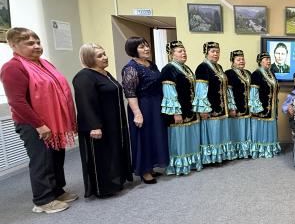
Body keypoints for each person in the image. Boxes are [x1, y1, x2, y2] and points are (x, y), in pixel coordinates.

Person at [0, 27, 78, 213]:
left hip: (52, 121)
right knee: (42, 160)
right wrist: (39, 125)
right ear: (13, 45)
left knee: (56, 157)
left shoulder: (44, 64)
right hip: (32, 124)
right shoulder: (12, 68)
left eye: (38, 42)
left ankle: (57, 191)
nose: (36, 46)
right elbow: (17, 102)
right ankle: (43, 200)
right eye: (29, 43)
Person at [72, 44, 133, 197]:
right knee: (101, 157)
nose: (105, 57)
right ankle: (103, 189)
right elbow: (84, 103)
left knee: (112, 153)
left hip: (113, 123)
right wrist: (94, 126)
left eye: (104, 54)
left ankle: (115, 182)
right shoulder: (84, 76)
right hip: (98, 125)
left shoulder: (105, 73)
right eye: (99, 56)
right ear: (89, 58)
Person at [121, 37, 169, 184]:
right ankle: (144, 170)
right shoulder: (131, 68)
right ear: (133, 50)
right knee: (143, 138)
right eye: (142, 47)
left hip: (155, 105)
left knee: (154, 136)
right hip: (142, 106)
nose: (147, 49)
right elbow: (130, 93)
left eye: (147, 46)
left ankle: (151, 166)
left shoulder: (151, 64)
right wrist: (137, 113)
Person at [160, 41, 202, 175]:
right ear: (171, 54)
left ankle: (191, 162)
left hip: (190, 110)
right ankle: (180, 166)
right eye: (179, 51)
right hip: (179, 111)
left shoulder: (186, 68)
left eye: (184, 51)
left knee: (190, 137)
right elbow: (169, 93)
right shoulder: (169, 69)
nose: (183, 53)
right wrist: (176, 112)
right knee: (180, 139)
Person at [194, 42, 235, 164]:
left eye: (217, 51)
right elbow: (201, 90)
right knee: (213, 132)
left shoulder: (219, 67)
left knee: (221, 133)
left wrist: (230, 105)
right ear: (206, 53)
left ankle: (220, 156)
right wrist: (203, 108)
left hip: (222, 107)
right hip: (211, 108)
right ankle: (212, 158)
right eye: (213, 51)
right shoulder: (202, 67)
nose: (216, 54)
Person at [249, 52, 281, 158]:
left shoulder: (271, 73)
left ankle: (270, 148)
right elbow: (253, 93)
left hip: (272, 108)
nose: (268, 61)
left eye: (269, 59)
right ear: (260, 61)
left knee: (270, 128)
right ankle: (261, 150)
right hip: (262, 108)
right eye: (266, 59)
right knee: (262, 128)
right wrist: (256, 108)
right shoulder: (256, 74)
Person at [225, 50, 252, 159]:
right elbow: (229, 92)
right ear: (232, 61)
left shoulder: (248, 73)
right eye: (238, 59)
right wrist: (232, 107)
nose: (241, 61)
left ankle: (245, 151)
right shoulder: (229, 73)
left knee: (246, 130)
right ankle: (236, 152)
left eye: (242, 59)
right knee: (237, 130)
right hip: (236, 107)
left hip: (247, 107)